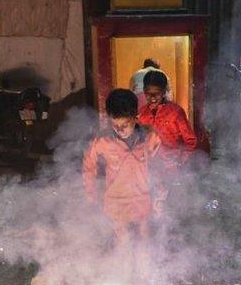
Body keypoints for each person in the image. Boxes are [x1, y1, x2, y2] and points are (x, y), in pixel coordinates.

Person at [82, 89, 161, 256]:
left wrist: (160, 195)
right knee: (122, 242)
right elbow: (89, 168)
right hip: (115, 201)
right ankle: (123, 277)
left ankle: (144, 277)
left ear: (135, 117)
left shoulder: (149, 137)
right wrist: (90, 197)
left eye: (125, 125)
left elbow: (159, 167)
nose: (120, 130)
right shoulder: (102, 140)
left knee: (144, 239)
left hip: (142, 198)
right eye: (115, 125)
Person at [137, 70, 197, 213]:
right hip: (149, 169)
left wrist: (180, 161)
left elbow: (191, 141)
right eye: (148, 93)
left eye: (156, 93)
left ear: (164, 92)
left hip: (171, 169)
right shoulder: (141, 114)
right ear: (144, 91)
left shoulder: (175, 112)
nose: (152, 97)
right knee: (150, 208)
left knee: (170, 210)